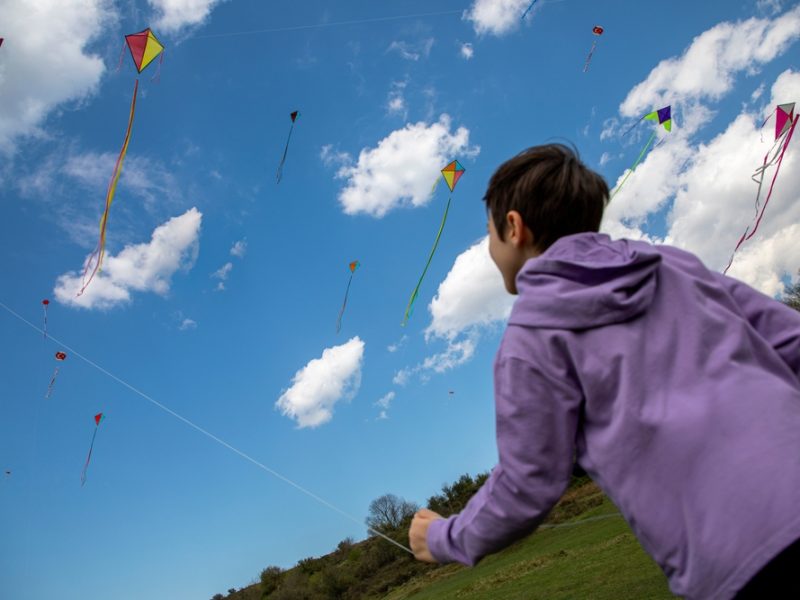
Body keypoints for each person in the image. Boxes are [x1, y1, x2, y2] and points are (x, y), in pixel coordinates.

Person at [408, 144, 800, 599]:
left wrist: (442, 537)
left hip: (743, 559)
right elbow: (790, 341)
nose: (490, 247)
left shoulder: (532, 335)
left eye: (489, 234)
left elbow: (527, 483)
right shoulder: (673, 263)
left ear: (513, 228)